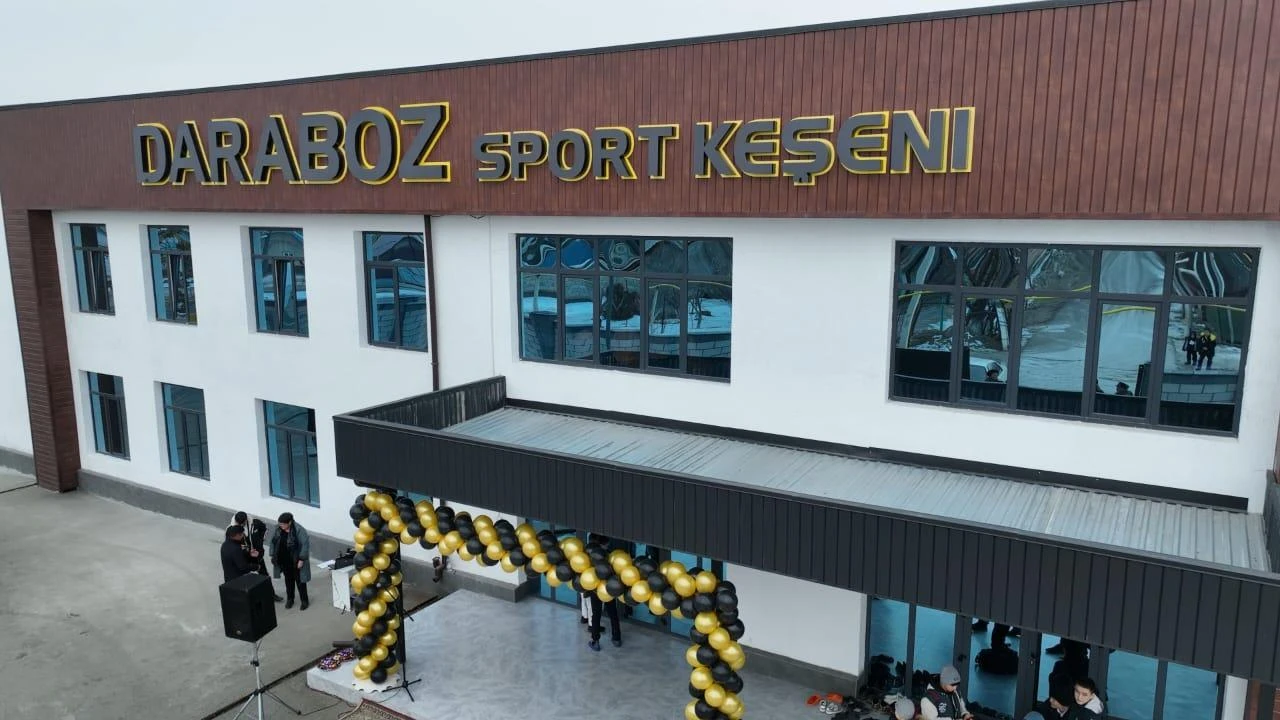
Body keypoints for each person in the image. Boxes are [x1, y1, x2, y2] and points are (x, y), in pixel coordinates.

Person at [585, 533, 622, 651]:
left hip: (596, 590)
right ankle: (616, 638)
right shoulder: (610, 557)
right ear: (602, 544)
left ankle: (595, 641)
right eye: (606, 544)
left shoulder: (593, 557)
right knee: (613, 613)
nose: (608, 546)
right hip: (609, 588)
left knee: (596, 615)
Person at [270, 512, 311, 610]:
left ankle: (304, 601)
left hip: (296, 561)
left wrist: (301, 559)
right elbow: (273, 542)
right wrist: (272, 554)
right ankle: (290, 599)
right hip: (284, 560)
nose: (281, 526)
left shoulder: (299, 530)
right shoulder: (278, 529)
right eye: (280, 524)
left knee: (300, 582)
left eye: (283, 524)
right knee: (288, 580)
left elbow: (305, 545)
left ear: (289, 522)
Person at [248, 518, 283, 601]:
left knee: (264, 575)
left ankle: (271, 594)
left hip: (257, 555)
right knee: (245, 577)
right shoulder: (236, 529)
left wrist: (260, 541)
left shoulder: (256, 523)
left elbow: (264, 529)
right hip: (246, 556)